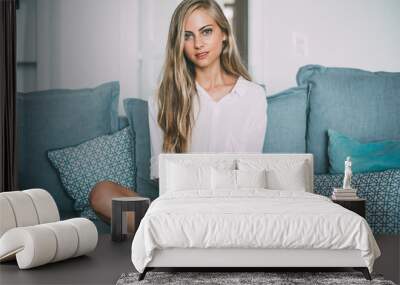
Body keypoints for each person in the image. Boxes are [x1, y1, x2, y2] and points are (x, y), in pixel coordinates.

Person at [89, 0, 267, 224]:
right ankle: (169, 234)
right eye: (187, 36)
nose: (198, 44)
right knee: (101, 194)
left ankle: (166, 237)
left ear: (224, 33)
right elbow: (164, 176)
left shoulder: (253, 95)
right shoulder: (163, 99)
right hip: (179, 209)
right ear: (178, 43)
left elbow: (248, 173)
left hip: (231, 209)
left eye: (207, 32)